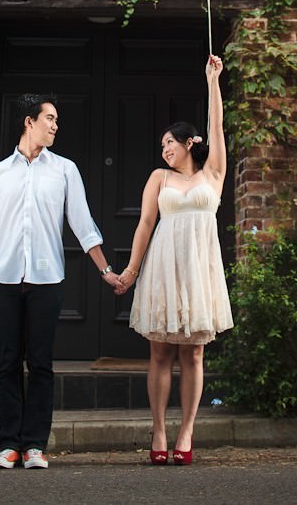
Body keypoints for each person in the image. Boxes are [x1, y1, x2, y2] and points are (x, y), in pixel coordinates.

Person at [0, 93, 123, 470]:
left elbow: (83, 224)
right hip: (4, 279)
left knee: (40, 363)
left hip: (47, 279)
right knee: (8, 362)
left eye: (56, 120)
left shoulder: (65, 170)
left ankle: (35, 445)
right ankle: (8, 446)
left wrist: (106, 271)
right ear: (29, 121)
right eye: (50, 118)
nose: (55, 126)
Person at [116, 55, 233, 466]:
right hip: (165, 269)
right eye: (160, 145)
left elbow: (216, 126)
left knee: (194, 354)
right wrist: (131, 271)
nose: (163, 149)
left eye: (169, 142)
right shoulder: (157, 178)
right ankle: (160, 430)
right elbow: (145, 225)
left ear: (189, 143)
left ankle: (186, 431)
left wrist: (212, 80)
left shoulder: (212, 175)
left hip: (199, 270)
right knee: (160, 353)